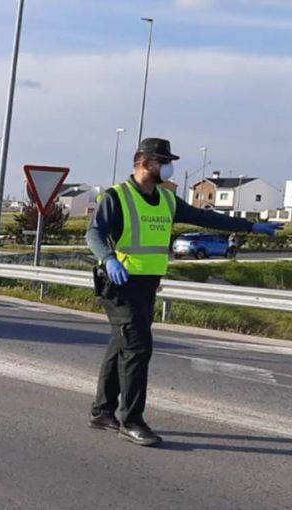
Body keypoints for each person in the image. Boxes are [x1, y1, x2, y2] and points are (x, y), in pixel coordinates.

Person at [86, 138, 283, 447]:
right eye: (162, 161)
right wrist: (108, 258)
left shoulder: (166, 200)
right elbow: (95, 232)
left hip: (147, 284)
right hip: (120, 284)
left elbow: (204, 217)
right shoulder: (118, 197)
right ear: (143, 163)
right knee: (138, 349)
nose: (168, 167)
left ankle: (102, 411)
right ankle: (131, 420)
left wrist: (249, 227)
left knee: (121, 344)